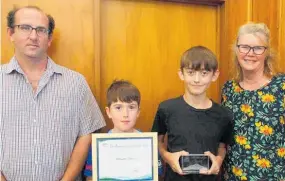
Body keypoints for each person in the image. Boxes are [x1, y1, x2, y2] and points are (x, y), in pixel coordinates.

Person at [0, 6, 106, 181]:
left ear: (49, 39)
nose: (33, 36)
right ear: (11, 33)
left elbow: (86, 134)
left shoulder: (75, 82)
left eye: (41, 30)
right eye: (25, 27)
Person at [152, 46, 233, 181]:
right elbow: (157, 141)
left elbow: (222, 146)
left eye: (204, 73)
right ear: (181, 74)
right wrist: (168, 157)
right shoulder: (166, 108)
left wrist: (218, 160)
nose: (197, 80)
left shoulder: (224, 114)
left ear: (215, 75)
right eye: (190, 72)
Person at [221, 22, 285, 181]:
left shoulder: (281, 86)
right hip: (233, 177)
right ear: (236, 49)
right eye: (244, 47)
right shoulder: (229, 89)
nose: (250, 53)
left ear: (267, 52)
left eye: (257, 48)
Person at [83, 80, 164, 180]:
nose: (125, 114)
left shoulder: (149, 144)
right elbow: (90, 177)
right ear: (108, 112)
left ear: (138, 112)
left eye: (131, 107)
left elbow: (157, 176)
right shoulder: (99, 145)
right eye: (118, 108)